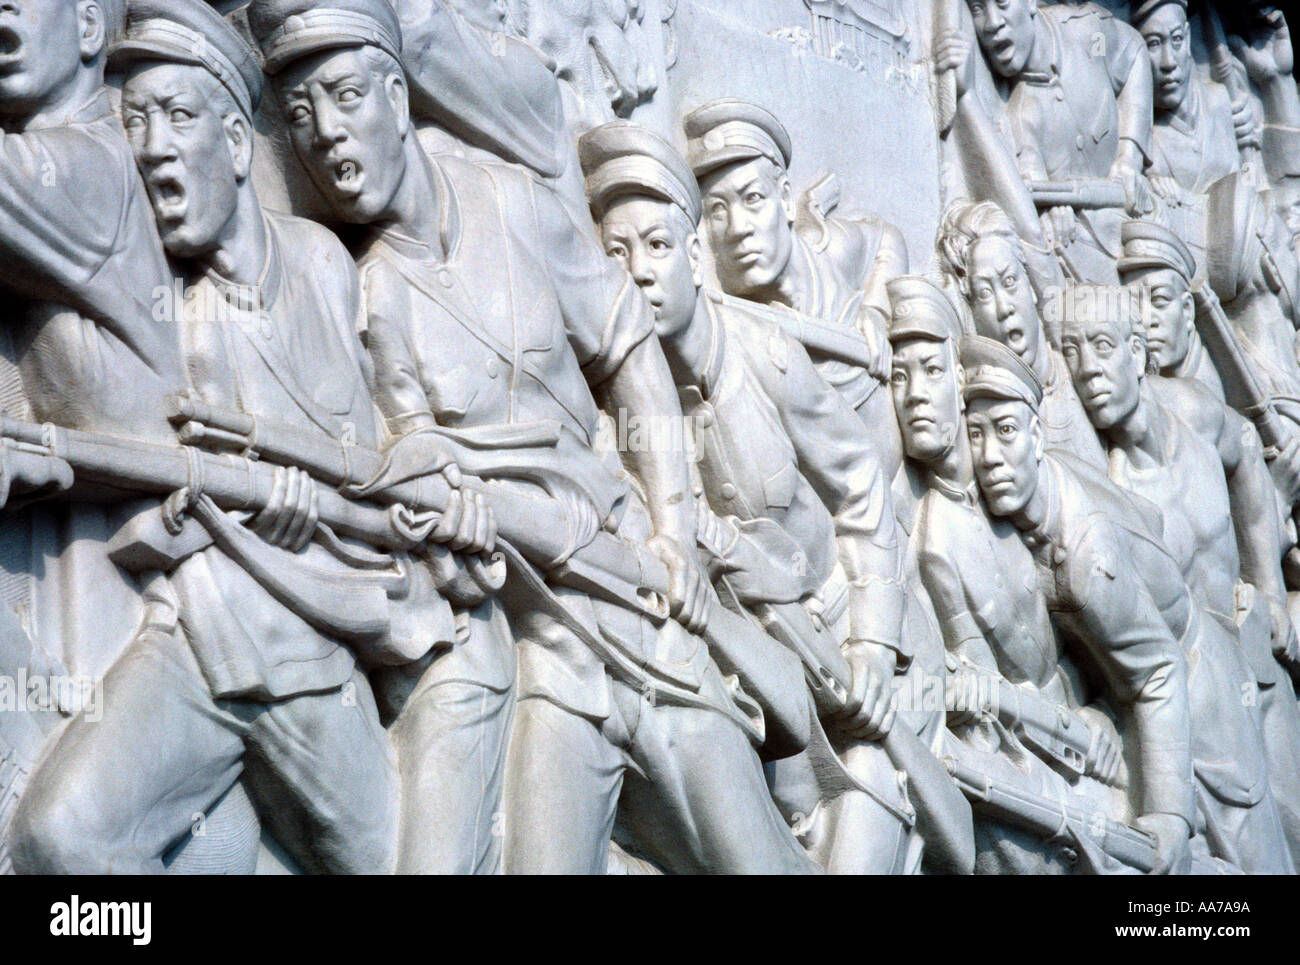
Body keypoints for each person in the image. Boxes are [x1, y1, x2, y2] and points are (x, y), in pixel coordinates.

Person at [251, 0, 817, 875]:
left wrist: (674, 525)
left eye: (345, 95)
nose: (326, 134)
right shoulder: (361, 299)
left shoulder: (509, 199)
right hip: (546, 647)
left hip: (641, 599)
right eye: (298, 115)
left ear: (398, 95)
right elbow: (404, 497)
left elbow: (629, 347)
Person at [9, 0, 496, 875]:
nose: (153, 144)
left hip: (319, 645)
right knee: (60, 842)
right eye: (134, 123)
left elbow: (399, 435)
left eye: (178, 116)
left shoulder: (323, 264)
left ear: (238, 145)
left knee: (388, 860)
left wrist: (422, 481)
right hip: (199, 630)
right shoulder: (159, 302)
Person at [578, 119, 968, 874]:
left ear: (695, 256)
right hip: (765, 679)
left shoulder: (765, 355)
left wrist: (872, 649)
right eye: (616, 256)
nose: (639, 275)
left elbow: (864, 494)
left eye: (658, 247)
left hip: (865, 655)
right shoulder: (611, 411)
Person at [1058, 281, 1300, 870]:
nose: (1089, 369)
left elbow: (1245, 450)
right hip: (1203, 708)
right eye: (1072, 352)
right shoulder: (1111, 492)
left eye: (1102, 346)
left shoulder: (1190, 409)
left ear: (1138, 352)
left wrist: (1267, 581)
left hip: (1260, 667)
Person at [962, 334, 1200, 874]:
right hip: (1113, 685)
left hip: (1182, 691)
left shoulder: (1086, 553)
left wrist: (1167, 812)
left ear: (1037, 435)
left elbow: (1157, 670)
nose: (991, 457)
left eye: (1004, 432)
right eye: (975, 434)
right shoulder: (1024, 511)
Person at [938, 200, 1108, 471]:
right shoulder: (984, 423)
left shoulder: (1086, 370)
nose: (1004, 307)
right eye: (985, 293)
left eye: (1009, 282)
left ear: (1029, 286)